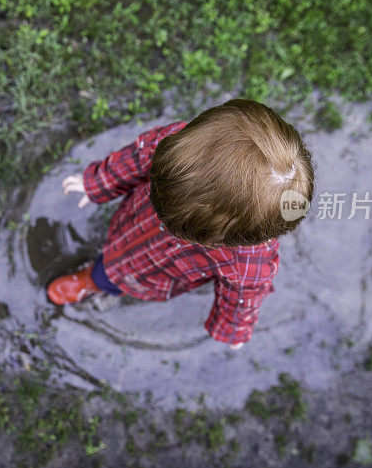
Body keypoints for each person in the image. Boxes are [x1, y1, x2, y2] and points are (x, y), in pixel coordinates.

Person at [47, 99, 315, 350]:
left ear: (233, 239)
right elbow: (137, 157)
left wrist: (233, 329)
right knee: (114, 249)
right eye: (163, 204)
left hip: (155, 271)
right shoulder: (181, 145)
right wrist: (99, 182)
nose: (165, 222)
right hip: (131, 223)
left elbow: (243, 298)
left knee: (112, 276)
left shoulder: (248, 263)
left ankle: (96, 282)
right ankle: (100, 274)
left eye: (178, 226)